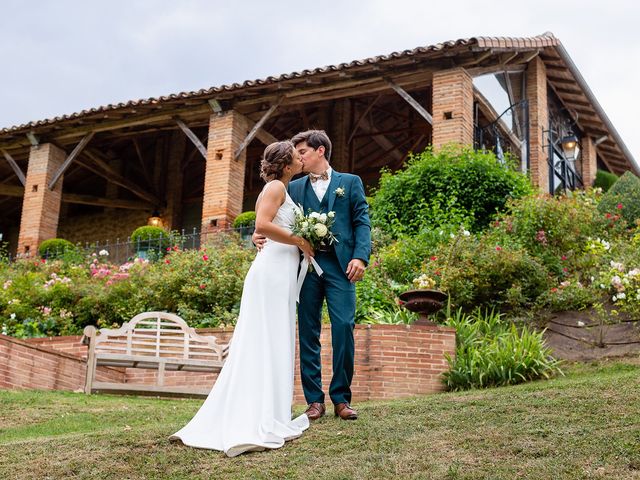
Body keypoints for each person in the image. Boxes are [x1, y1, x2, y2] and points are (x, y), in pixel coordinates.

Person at [170, 141, 314, 457]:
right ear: (287, 165)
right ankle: (257, 418)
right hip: (271, 273)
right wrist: (300, 240)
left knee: (274, 340)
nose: (299, 157)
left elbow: (267, 227)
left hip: (282, 272)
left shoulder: (281, 188)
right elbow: (262, 225)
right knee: (264, 339)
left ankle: (272, 413)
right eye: (295, 154)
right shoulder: (276, 187)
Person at [255, 129, 371, 421]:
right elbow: (268, 219)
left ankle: (341, 399)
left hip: (341, 266)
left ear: (320, 151)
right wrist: (255, 237)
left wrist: (360, 256)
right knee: (308, 331)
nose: (298, 157)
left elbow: (362, 222)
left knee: (344, 326)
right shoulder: (291, 187)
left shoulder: (351, 182)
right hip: (303, 267)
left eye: (303, 151)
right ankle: (313, 401)